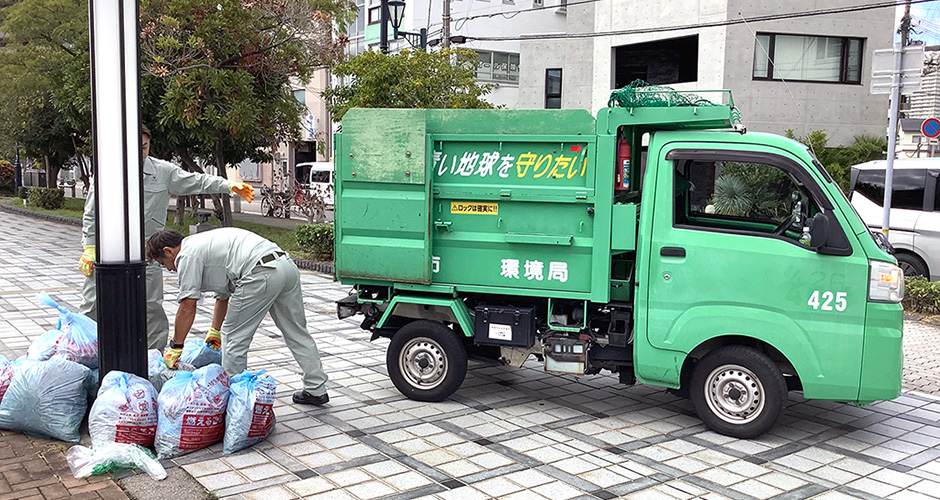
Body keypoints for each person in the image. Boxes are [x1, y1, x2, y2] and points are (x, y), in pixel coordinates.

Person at [78, 125, 255, 351]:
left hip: (148, 251)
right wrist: (89, 247)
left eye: (145, 146)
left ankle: (154, 357)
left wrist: (228, 185)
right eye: (135, 147)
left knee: (151, 306)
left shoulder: (163, 172)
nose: (141, 152)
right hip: (108, 250)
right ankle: (83, 350)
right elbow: (91, 212)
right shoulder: (107, 171)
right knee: (93, 303)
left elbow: (196, 181)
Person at [146, 227, 330, 406]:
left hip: (259, 272)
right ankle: (316, 388)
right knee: (296, 331)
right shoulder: (202, 244)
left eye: (164, 264)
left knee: (234, 338)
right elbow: (222, 295)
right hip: (285, 265)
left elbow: (187, 306)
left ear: (168, 251)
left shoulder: (186, 255)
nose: (169, 270)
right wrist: (214, 331)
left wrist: (176, 347)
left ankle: (236, 402)